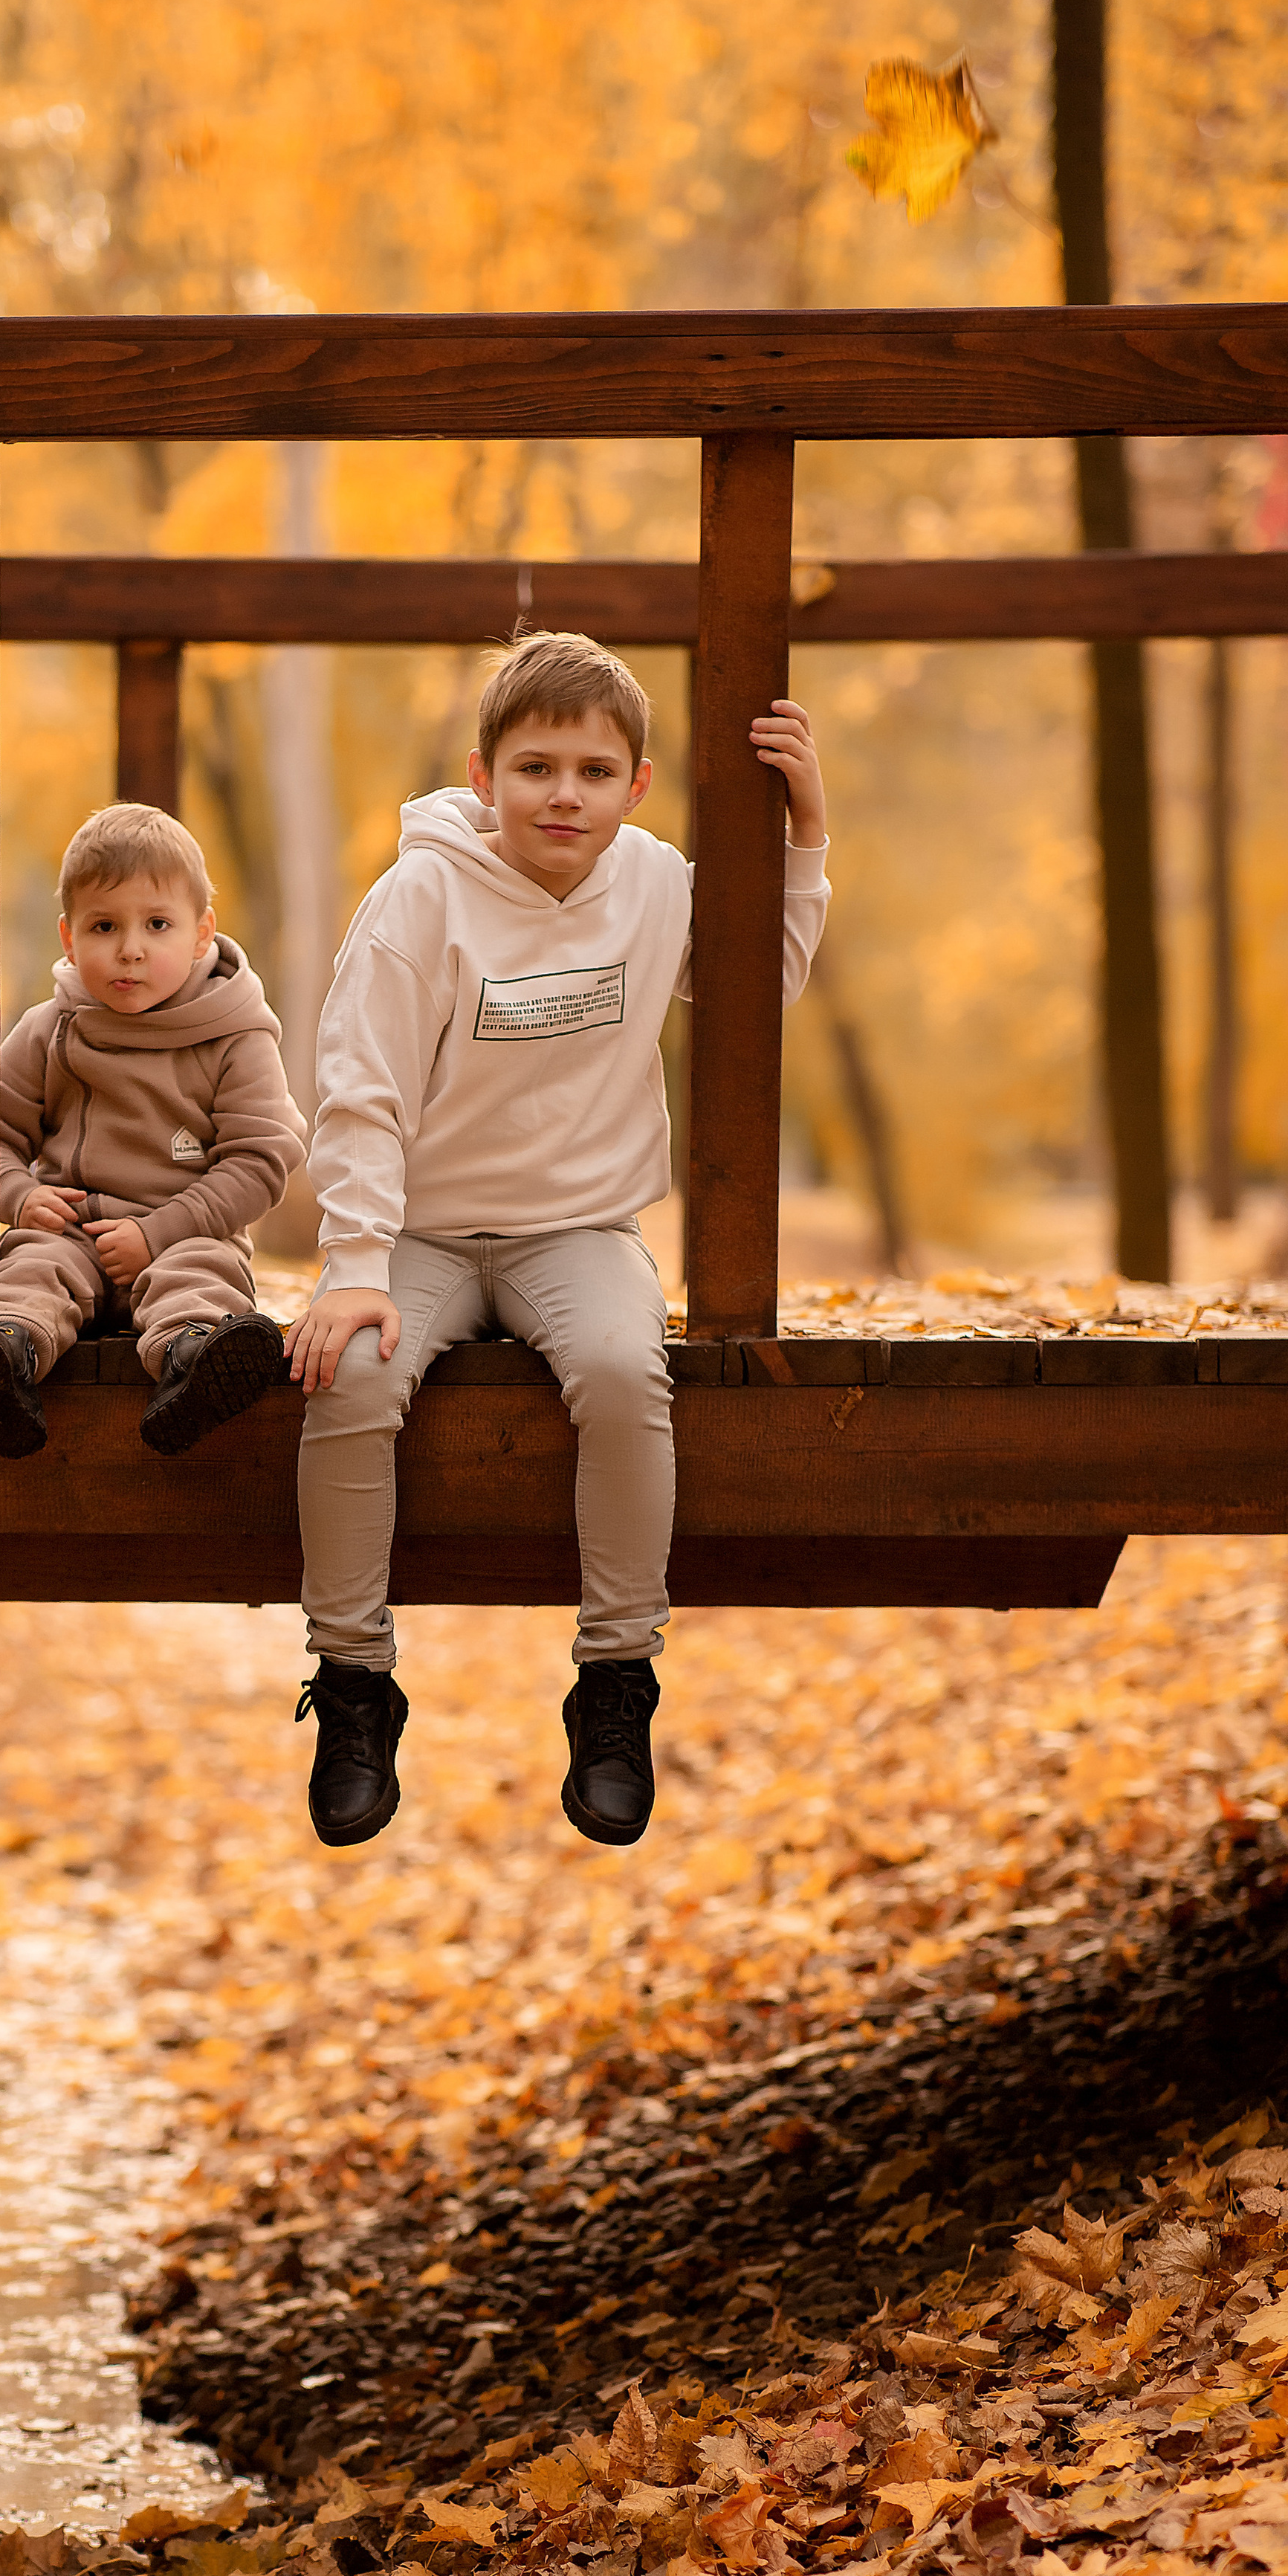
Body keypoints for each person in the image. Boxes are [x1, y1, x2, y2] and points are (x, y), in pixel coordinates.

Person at [286, 630, 829, 1849]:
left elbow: (765, 987)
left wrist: (805, 833)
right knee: (351, 1380)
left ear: (637, 786)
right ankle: (357, 1686)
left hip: (575, 1230)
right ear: (484, 777)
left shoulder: (654, 882)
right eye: (536, 768)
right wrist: (356, 1269)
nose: (563, 794)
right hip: (420, 1233)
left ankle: (615, 1683)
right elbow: (359, 1088)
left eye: (592, 770)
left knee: (629, 1374)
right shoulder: (417, 898)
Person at [0, 801, 305, 1459]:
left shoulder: (236, 1035)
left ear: (200, 933)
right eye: (105, 926)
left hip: (183, 1232)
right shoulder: (51, 1028)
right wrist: (21, 1196)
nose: (131, 948)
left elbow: (260, 1160)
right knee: (32, 1268)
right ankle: (4, 1357)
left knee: (201, 1277)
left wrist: (155, 1233)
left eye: (157, 924)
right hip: (72, 1230)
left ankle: (196, 1364)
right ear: (70, 938)